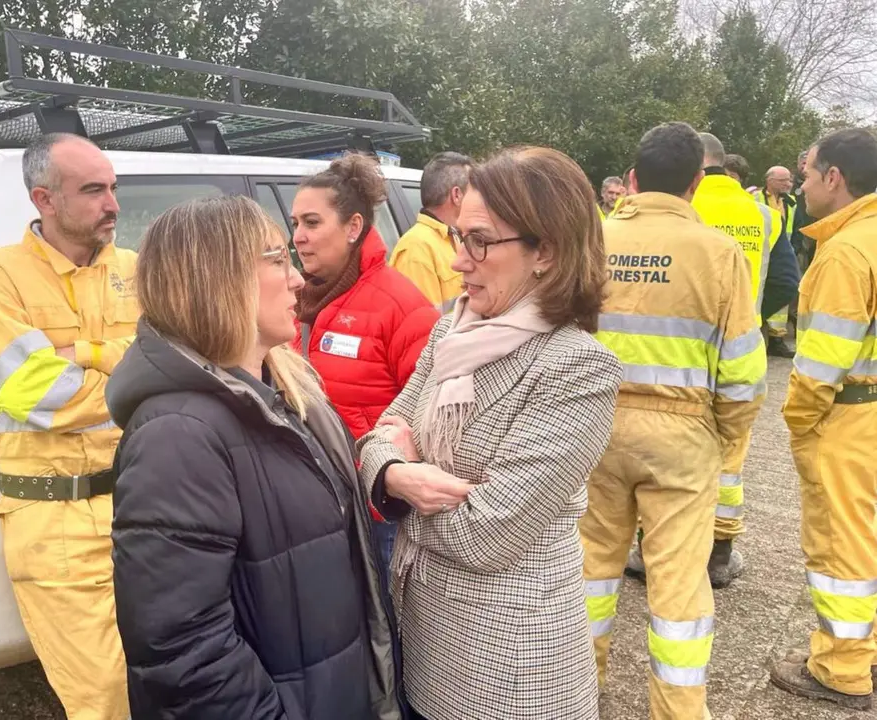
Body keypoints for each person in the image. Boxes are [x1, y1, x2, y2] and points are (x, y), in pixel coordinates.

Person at [107, 196, 403, 720]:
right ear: (216, 278)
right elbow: (183, 653)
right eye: (276, 260)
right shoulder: (177, 436)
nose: (297, 280)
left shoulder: (284, 394)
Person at [358, 146, 621, 720]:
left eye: (479, 240)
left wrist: (394, 483)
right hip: (428, 644)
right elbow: (384, 432)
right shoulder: (453, 330)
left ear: (546, 251)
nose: (458, 260)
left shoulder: (576, 367)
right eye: (457, 237)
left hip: (509, 672)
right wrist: (399, 472)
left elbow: (487, 535)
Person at [582, 122, 766, 720]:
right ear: (695, 184)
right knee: (680, 582)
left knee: (591, 569)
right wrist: (727, 436)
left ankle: (583, 687)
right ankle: (679, 709)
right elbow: (742, 370)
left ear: (631, 179)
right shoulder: (719, 254)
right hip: (683, 436)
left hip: (596, 427)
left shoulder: (595, 241)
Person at [0, 133, 136, 720]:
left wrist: (79, 351)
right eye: (92, 190)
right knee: (106, 697)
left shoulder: (137, 270)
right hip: (54, 521)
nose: (112, 203)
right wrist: (120, 357)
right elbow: (39, 395)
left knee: (171, 674)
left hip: (143, 504)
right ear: (45, 200)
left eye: (113, 187)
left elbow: (175, 365)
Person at [625, 133, 799, 589]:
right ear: (700, 175)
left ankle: (645, 548)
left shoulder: (635, 226)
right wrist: (756, 315)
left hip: (635, 384)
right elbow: (785, 278)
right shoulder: (762, 215)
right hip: (725, 360)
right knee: (726, 467)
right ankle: (719, 554)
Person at [770, 128, 877, 711]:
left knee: (841, 551)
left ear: (834, 178)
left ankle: (841, 668)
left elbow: (819, 368)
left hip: (848, 419)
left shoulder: (845, 252)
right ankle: (866, 649)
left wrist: (800, 422)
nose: (804, 184)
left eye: (808, 174)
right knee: (869, 541)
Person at [292, 152, 439, 571]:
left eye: (312, 222)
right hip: (317, 505)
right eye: (296, 223)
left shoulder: (401, 306)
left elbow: (428, 417)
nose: (298, 236)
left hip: (377, 516)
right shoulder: (296, 301)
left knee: (387, 631)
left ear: (354, 227)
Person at [389, 151, 472, 312]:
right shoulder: (416, 249)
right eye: (472, 191)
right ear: (456, 195)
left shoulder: (452, 237)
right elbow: (421, 325)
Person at [755, 166, 798, 357]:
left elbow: (797, 226)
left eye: (789, 180)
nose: (788, 184)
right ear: (769, 180)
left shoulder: (792, 202)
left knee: (785, 292)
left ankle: (777, 339)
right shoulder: (755, 198)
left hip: (784, 252)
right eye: (783, 181)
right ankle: (761, 330)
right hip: (762, 251)